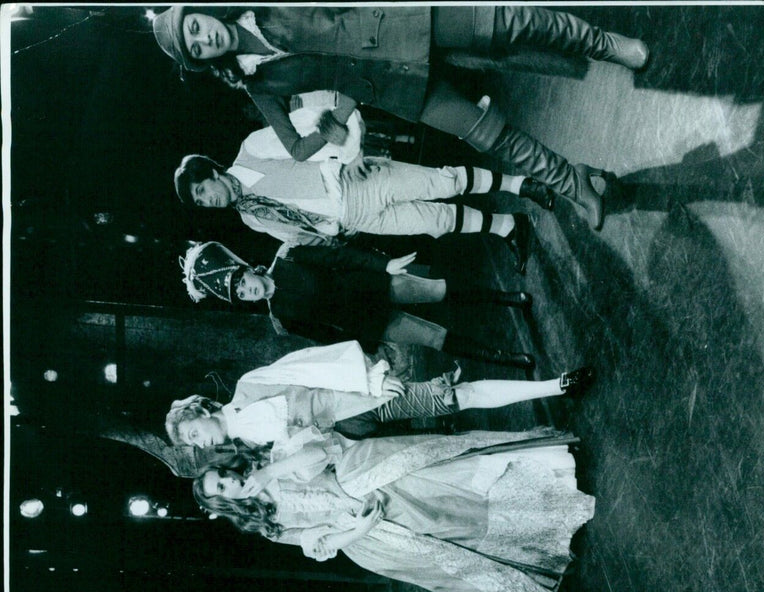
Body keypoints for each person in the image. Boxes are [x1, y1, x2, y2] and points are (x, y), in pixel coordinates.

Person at [153, 6, 653, 229]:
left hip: (405, 18)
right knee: (490, 136)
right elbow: (296, 148)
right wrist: (337, 117)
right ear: (201, 61)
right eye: (195, 47)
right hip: (394, 88)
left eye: (195, 26)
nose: (205, 38)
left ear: (203, 10)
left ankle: (605, 44)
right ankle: (573, 184)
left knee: (512, 21)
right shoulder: (256, 83)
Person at [192, 425, 596, 592]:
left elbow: (321, 452)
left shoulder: (275, 457)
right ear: (226, 504)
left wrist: (269, 473)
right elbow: (318, 543)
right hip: (363, 530)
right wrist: (360, 529)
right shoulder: (268, 524)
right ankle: (537, 558)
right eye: (223, 492)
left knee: (447, 496)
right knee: (444, 552)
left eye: (225, 478)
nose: (232, 486)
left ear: (230, 468)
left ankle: (552, 489)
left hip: (364, 476)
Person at [164, 337, 595, 448]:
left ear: (199, 411)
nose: (200, 443)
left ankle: (555, 386)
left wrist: (369, 379)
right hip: (351, 434)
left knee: (451, 396)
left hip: (358, 397)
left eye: (193, 434)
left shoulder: (247, 386)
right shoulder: (249, 440)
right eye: (194, 445)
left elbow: (313, 364)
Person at [173, 127, 546, 252]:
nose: (211, 201)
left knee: (443, 181)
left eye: (204, 190)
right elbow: (297, 237)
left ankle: (520, 184)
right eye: (202, 203)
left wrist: (349, 155)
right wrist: (332, 234)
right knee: (437, 220)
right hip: (355, 220)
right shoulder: (251, 218)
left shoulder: (253, 147)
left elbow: (310, 128)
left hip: (355, 181)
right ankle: (507, 227)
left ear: (213, 171)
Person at [180, 238, 539, 364]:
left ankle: (510, 298)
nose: (247, 291)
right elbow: (327, 337)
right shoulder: (280, 318)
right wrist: (370, 351)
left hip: (376, 285)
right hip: (372, 324)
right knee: (435, 338)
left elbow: (341, 257)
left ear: (247, 269)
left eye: (242, 282)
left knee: (438, 291)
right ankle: (508, 358)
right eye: (240, 294)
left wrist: (384, 265)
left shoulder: (288, 255)